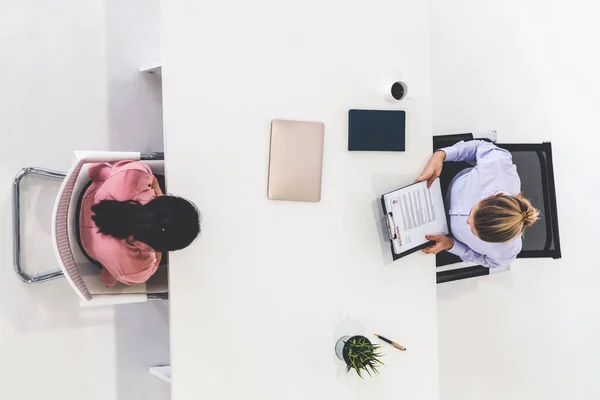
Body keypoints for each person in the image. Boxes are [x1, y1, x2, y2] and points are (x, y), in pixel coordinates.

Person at [416, 140, 538, 270]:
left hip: (444, 234)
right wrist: (441, 155)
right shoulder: (498, 166)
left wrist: (451, 245)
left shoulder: (506, 251)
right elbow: (478, 147)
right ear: (497, 195)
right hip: (443, 180)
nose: (467, 220)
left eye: (473, 232)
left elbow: (490, 262)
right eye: (472, 212)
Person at [79, 161, 200, 287]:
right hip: (85, 245)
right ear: (162, 247)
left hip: (86, 198)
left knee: (113, 176)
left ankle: (100, 172)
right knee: (116, 273)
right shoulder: (137, 271)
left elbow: (152, 179)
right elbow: (155, 264)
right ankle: (110, 272)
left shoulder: (136, 173)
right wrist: (157, 251)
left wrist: (158, 194)